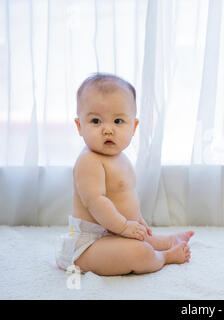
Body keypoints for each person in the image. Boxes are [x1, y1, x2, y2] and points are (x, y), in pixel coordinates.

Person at [56, 73, 193, 276]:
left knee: (143, 239)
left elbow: (126, 198)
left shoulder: (122, 159)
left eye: (118, 121)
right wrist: (123, 227)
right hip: (88, 245)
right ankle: (165, 256)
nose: (108, 130)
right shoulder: (89, 161)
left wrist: (137, 222)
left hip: (115, 233)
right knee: (139, 252)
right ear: (79, 126)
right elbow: (96, 201)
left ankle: (167, 241)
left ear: (133, 126)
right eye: (96, 121)